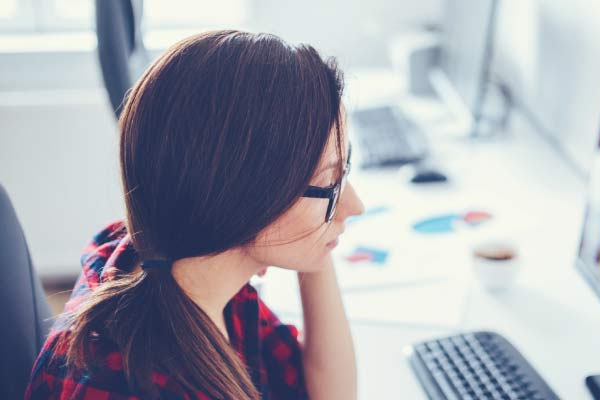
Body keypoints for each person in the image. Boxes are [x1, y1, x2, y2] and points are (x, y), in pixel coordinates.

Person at [25, 30, 363, 400]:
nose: (354, 206)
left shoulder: (191, 266)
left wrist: (316, 234)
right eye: (331, 182)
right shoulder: (134, 382)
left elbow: (326, 391)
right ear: (245, 200)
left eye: (344, 171)